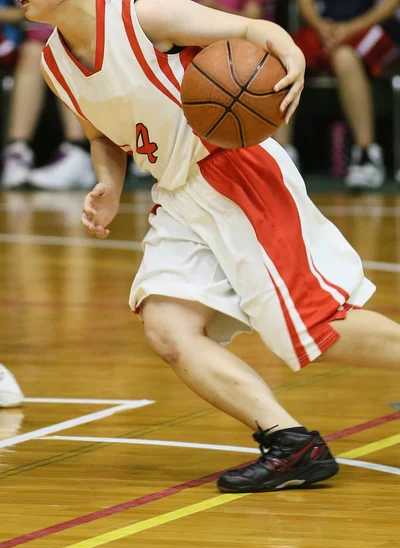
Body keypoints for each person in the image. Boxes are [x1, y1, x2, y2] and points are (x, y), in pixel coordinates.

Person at [23, 0, 400, 494]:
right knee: (168, 327)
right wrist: (109, 185)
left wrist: (291, 57)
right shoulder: (54, 62)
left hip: (233, 169)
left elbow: (254, 28)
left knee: (317, 328)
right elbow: (104, 138)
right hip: (176, 191)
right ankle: (291, 445)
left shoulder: (141, 16)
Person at [275, 0, 400, 188]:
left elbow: (390, 5)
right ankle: (281, 157)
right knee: (285, 58)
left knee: (344, 58)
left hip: (374, 29)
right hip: (325, 30)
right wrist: (321, 27)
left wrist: (349, 29)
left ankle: (366, 156)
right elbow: (304, 3)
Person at [1, 6, 95, 190]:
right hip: (22, 35)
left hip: (65, 29)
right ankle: (17, 153)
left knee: (59, 44)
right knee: (36, 49)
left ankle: (78, 153)